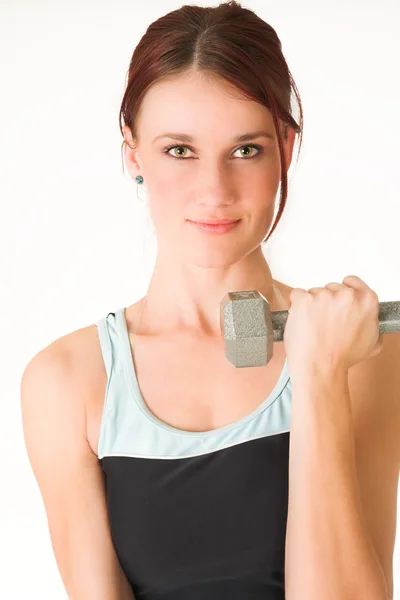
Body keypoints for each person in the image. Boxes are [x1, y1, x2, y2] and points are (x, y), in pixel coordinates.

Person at [21, 1, 304, 598]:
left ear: (285, 147)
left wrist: (324, 373)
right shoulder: (68, 381)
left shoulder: (364, 353)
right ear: (133, 152)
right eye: (180, 150)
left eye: (246, 149)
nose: (214, 190)